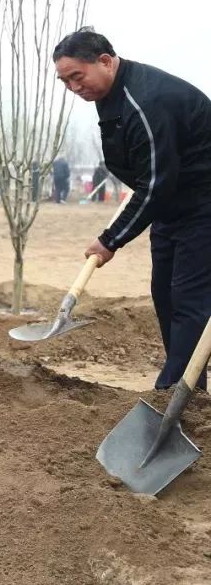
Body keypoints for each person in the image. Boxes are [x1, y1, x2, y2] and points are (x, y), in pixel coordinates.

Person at [54, 28, 211, 391]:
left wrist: (111, 239)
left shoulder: (147, 101)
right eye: (65, 82)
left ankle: (173, 392)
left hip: (202, 204)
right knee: (165, 294)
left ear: (106, 61)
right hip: (173, 206)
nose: (74, 88)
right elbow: (149, 177)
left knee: (189, 300)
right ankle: (189, 388)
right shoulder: (113, 94)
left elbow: (156, 183)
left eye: (77, 76)